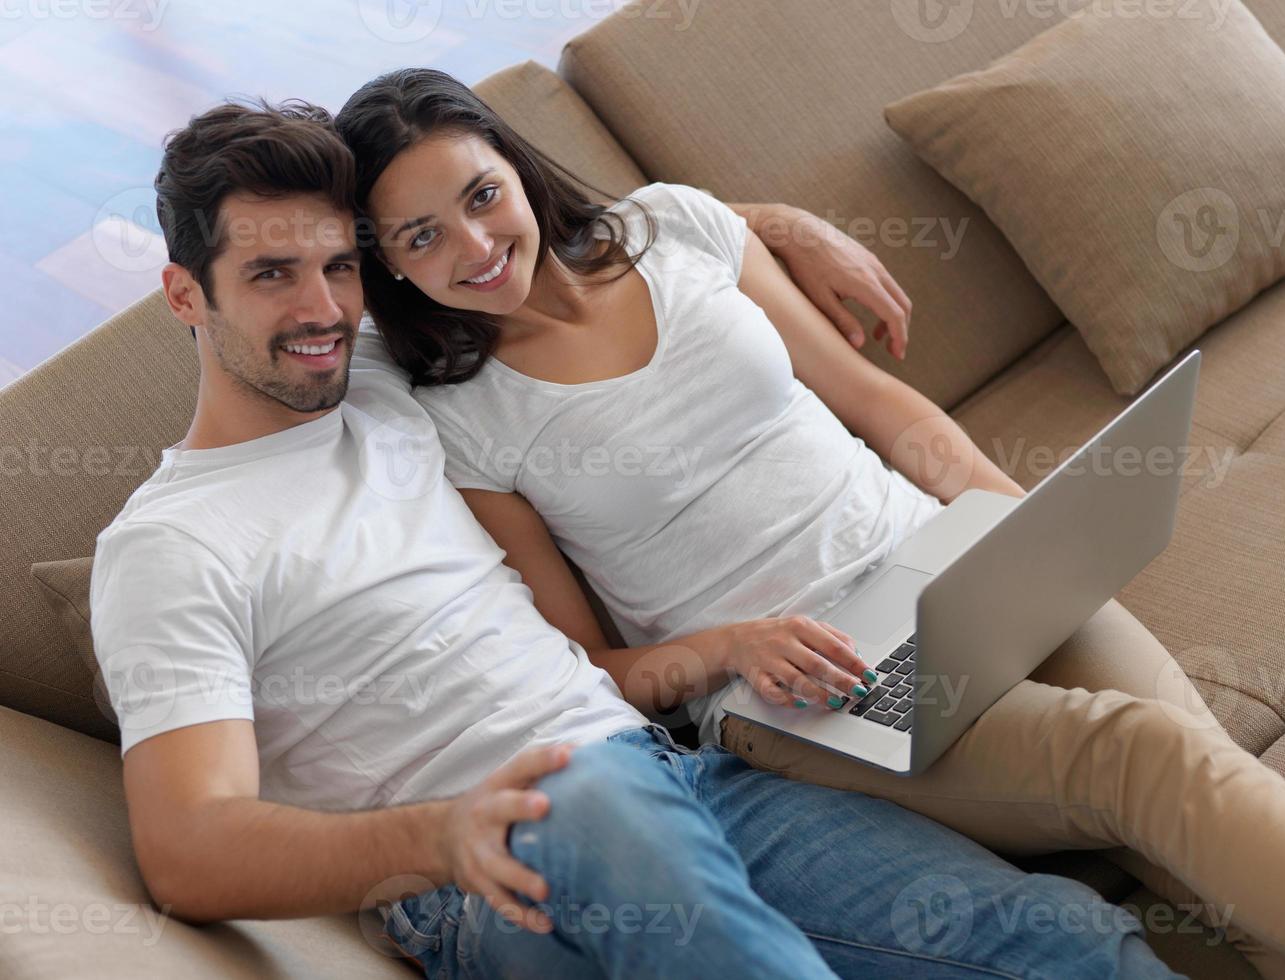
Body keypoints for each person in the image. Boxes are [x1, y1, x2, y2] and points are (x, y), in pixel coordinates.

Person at [86, 98, 1182, 980]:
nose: (321, 306)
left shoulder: (384, 383)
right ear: (185, 293)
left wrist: (766, 225)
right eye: (270, 275)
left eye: (339, 267)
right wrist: (443, 833)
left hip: (676, 773)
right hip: (495, 859)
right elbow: (190, 848)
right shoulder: (174, 544)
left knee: (1069, 939)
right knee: (591, 795)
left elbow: (528, 236)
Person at [334, 66, 1285, 973]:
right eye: (419, 237)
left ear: (513, 165)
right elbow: (586, 667)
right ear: (388, 269)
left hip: (951, 559)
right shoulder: (458, 417)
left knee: (1194, 770)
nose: (473, 245)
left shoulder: (676, 227)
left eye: (478, 195)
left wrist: (1023, 525)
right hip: (808, 692)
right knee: (1143, 755)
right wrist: (731, 647)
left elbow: (880, 404)